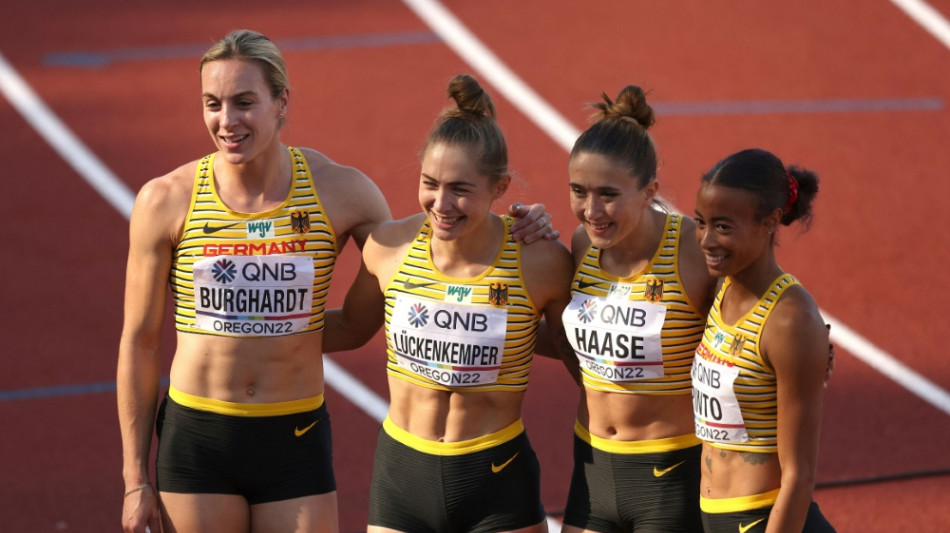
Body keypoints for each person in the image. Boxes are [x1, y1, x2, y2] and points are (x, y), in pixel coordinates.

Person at [116, 30, 553, 533]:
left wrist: (515, 221)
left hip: (293, 436)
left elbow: (423, 264)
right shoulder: (165, 200)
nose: (227, 121)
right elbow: (140, 342)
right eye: (212, 104)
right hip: (198, 437)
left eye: (244, 102)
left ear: (282, 103)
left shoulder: (341, 192)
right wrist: (135, 479)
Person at [328, 73, 574, 533]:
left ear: (500, 187)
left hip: (496, 480)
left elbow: (575, 351)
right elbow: (349, 328)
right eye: (430, 183)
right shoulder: (388, 246)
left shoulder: (540, 262)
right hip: (403, 475)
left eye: (461, 189)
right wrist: (248, 329)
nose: (442, 203)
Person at [555, 86, 716, 533]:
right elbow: (573, 344)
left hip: (670, 475)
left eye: (608, 194)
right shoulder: (582, 244)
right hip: (591, 468)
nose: (591, 211)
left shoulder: (693, 250)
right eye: (578, 191)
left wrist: (805, 337)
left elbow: (751, 320)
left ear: (649, 193)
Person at [691, 148, 835, 532]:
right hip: (715, 516)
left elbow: (799, 476)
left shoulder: (790, 322)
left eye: (723, 227)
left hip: (765, 519)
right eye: (700, 222)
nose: (705, 240)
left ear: (770, 222)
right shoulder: (719, 287)